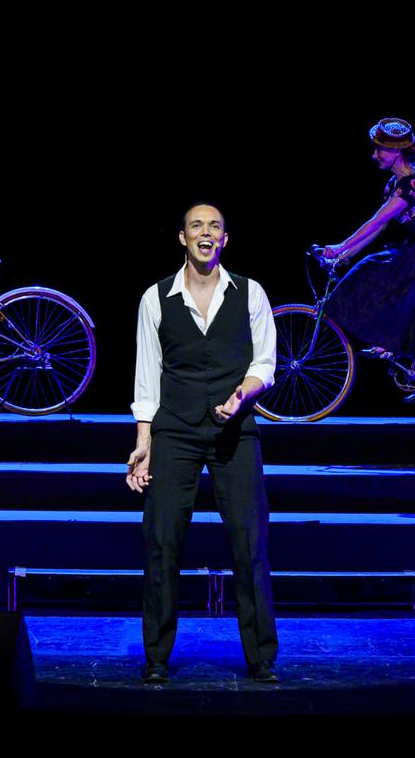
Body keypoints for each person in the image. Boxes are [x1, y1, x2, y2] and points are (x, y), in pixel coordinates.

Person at [126, 203, 280, 684]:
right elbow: (147, 377)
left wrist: (243, 393)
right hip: (175, 429)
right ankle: (156, 658)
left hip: (236, 431)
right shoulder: (156, 298)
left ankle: (260, 659)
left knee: (250, 544)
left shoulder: (251, 293)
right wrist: (143, 441)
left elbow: (266, 364)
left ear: (225, 240)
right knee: (162, 543)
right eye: (197, 226)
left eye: (215, 226)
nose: (206, 233)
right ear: (182, 238)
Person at [319, 118, 415, 396]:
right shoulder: (395, 184)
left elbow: (376, 220)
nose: (374, 155)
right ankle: (405, 357)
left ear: (396, 151)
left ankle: (390, 342)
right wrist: (345, 255)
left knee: (392, 282)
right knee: (371, 268)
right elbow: (379, 228)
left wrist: (341, 245)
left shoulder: (414, 183)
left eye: (379, 149)